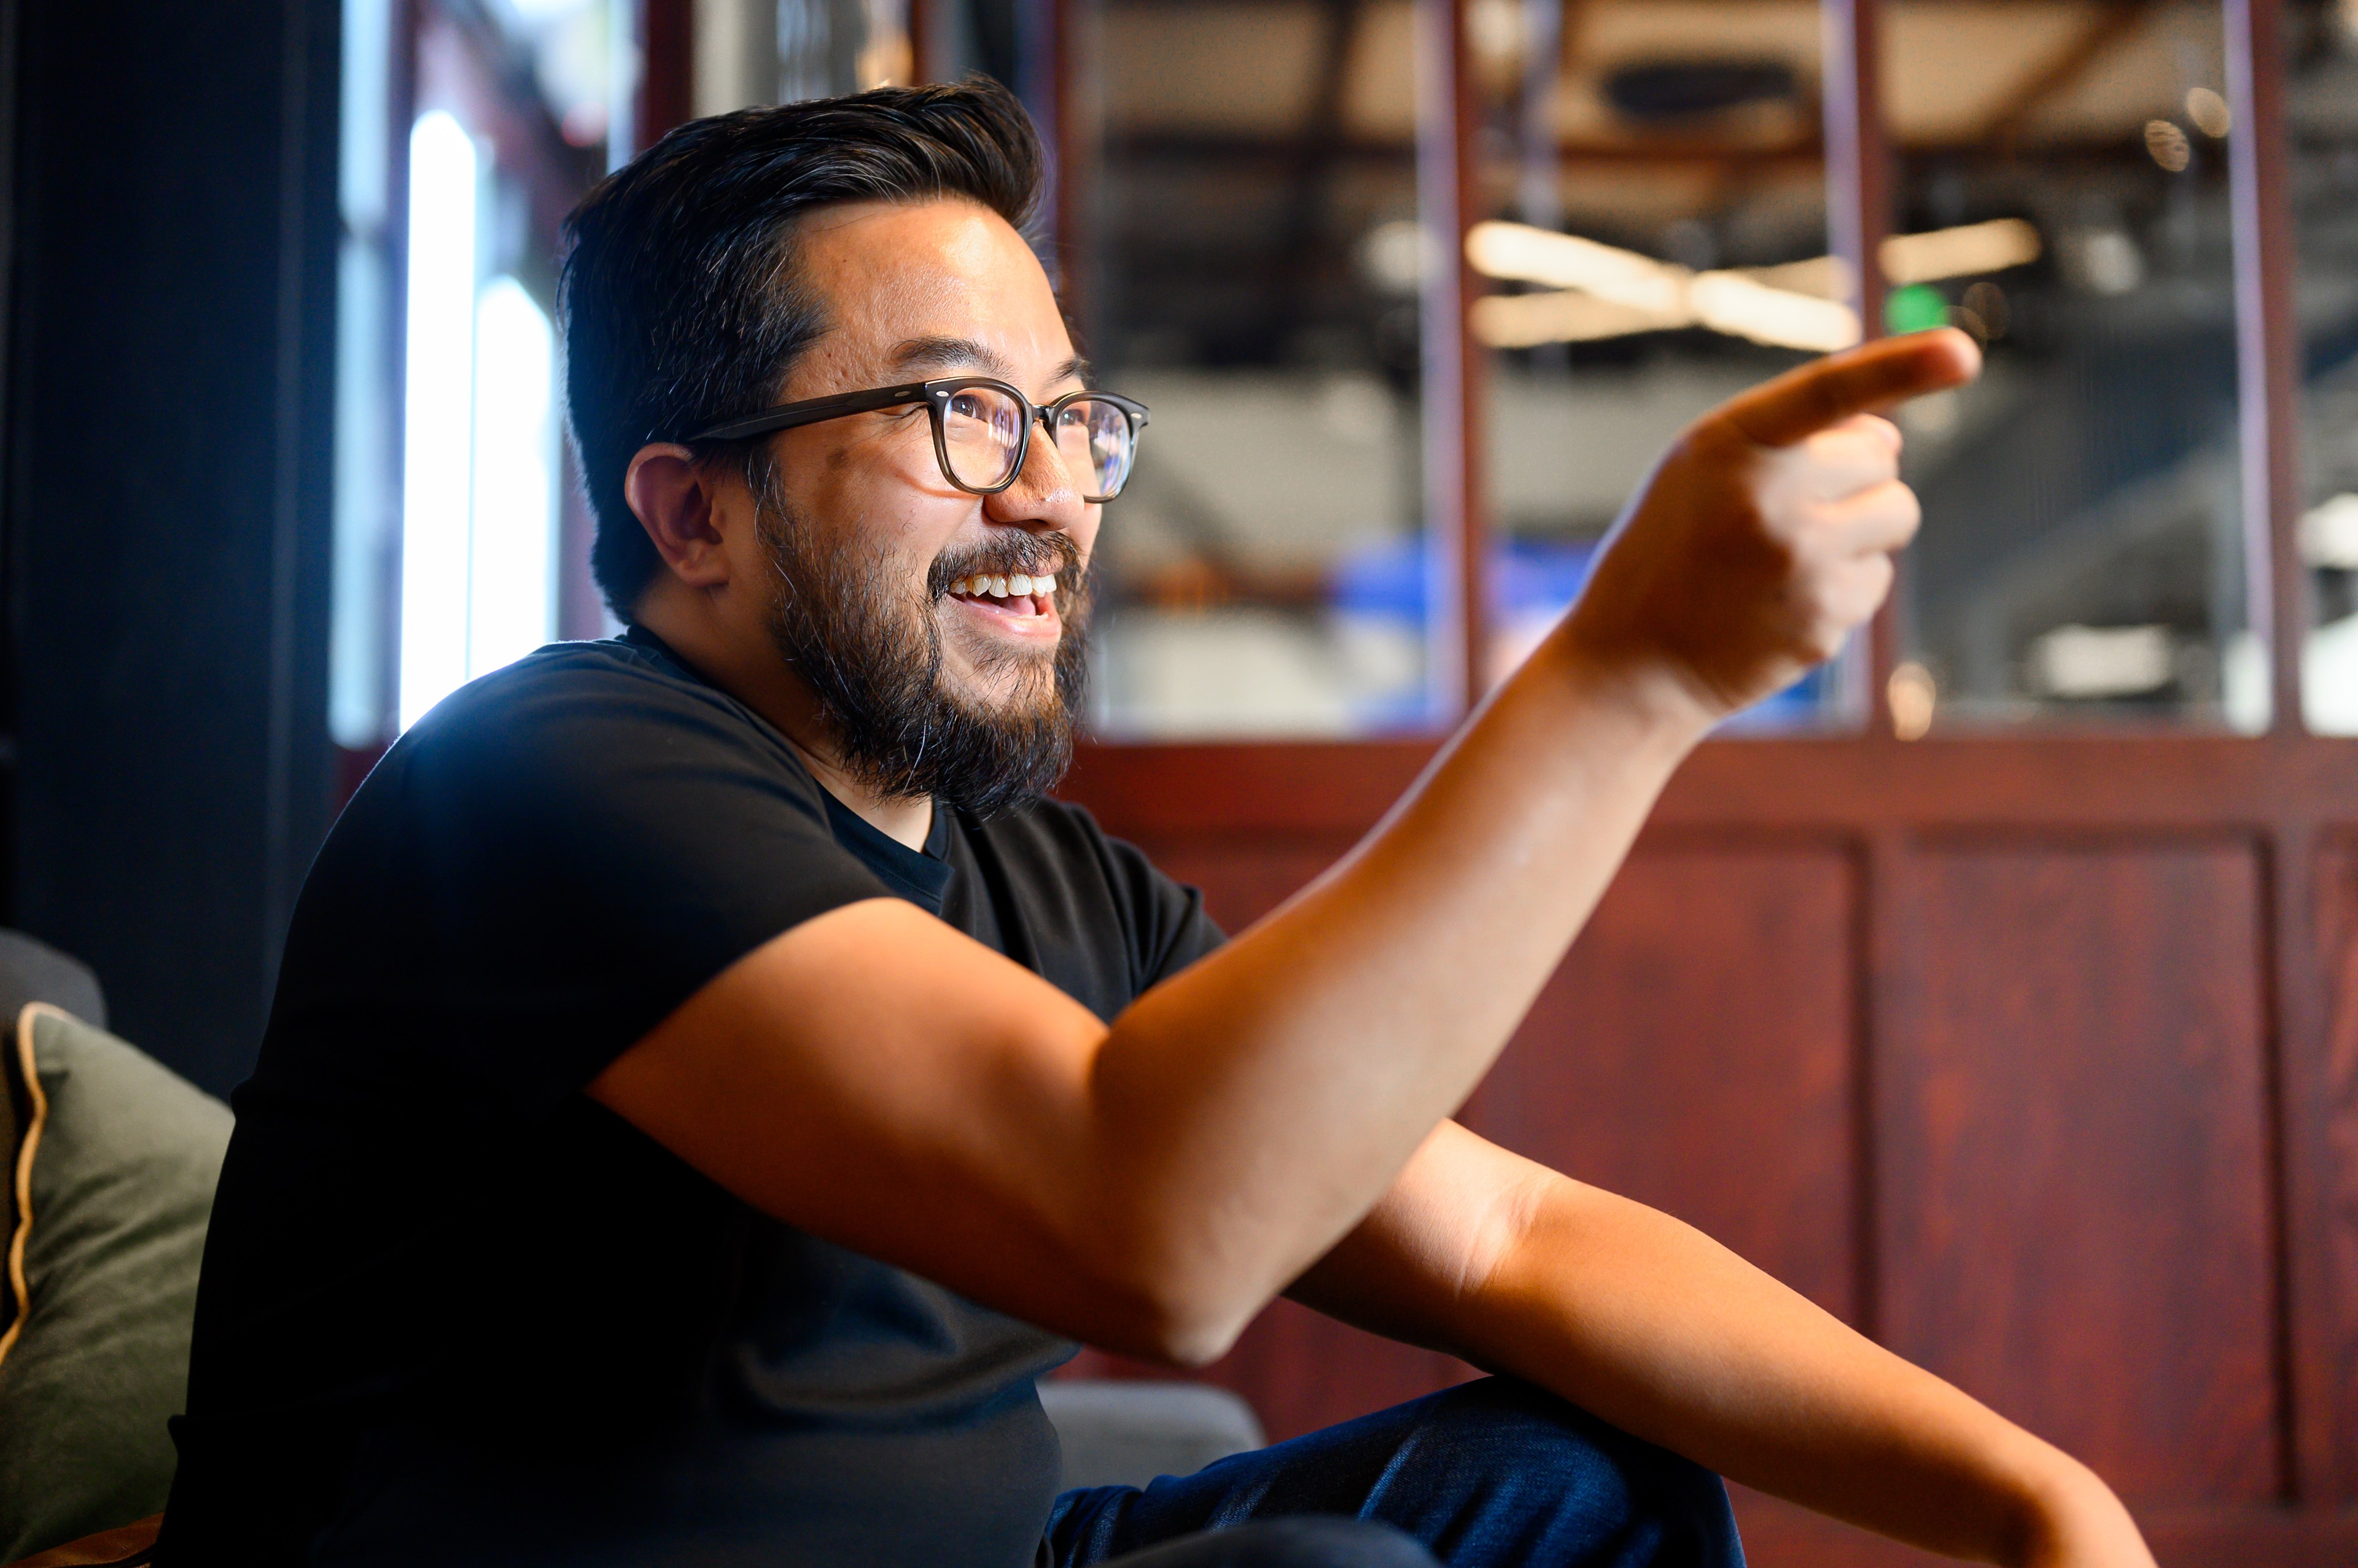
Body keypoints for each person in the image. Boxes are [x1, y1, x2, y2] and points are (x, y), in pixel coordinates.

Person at [159, 80, 2156, 1568]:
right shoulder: (545, 779)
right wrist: (1629, 671)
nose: (1050, 491)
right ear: (694, 514)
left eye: (1067, 415)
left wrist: (2034, 1495)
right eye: (959, 414)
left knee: (1575, 1479)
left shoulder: (1048, 881)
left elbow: (1509, 1231)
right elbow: (1158, 1228)